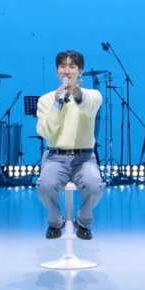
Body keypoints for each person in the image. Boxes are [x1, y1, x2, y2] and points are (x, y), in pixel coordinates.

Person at [36, 50, 104, 240]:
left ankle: (83, 221)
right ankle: (55, 221)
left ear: (80, 71)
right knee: (44, 185)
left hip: (85, 158)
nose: (67, 71)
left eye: (72, 67)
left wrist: (78, 95)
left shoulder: (93, 95)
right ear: (57, 71)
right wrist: (57, 104)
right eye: (63, 66)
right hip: (56, 157)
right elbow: (44, 131)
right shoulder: (46, 99)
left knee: (95, 185)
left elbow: (89, 108)